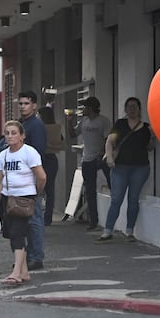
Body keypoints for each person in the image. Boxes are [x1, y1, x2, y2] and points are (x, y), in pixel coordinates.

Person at [0, 120, 47, 286]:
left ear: (22, 136)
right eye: (7, 133)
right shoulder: (3, 155)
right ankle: (24, 271)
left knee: (18, 233)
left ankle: (16, 273)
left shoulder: (29, 153)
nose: (10, 136)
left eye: (14, 133)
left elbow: (42, 176)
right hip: (8, 199)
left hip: (24, 199)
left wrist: (35, 194)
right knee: (10, 234)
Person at [100, 97, 154, 243]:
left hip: (140, 167)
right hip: (120, 167)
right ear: (125, 109)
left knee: (133, 199)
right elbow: (110, 141)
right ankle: (107, 230)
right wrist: (110, 157)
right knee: (116, 198)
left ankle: (130, 231)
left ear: (139, 109)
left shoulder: (146, 127)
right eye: (129, 106)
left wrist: (152, 136)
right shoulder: (120, 124)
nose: (132, 109)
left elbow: (150, 148)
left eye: (134, 107)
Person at [66, 96, 111, 231]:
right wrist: (69, 122)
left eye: (85, 107)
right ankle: (93, 221)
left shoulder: (103, 121)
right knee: (90, 191)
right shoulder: (84, 121)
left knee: (112, 184)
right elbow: (73, 134)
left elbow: (107, 138)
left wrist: (102, 154)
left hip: (101, 158)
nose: (83, 109)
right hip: (87, 159)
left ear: (91, 108)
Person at [17, 90, 47, 270]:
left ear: (34, 105)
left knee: (34, 219)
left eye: (26, 103)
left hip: (31, 178)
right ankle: (28, 257)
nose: (23, 107)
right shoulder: (22, 124)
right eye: (20, 103)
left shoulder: (35, 125)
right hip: (20, 179)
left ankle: (36, 257)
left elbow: (38, 154)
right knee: (24, 220)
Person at [39, 106, 63, 226]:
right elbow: (61, 142)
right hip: (51, 159)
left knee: (39, 189)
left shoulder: (39, 128)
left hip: (42, 159)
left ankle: (40, 216)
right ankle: (47, 218)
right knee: (50, 190)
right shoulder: (55, 129)